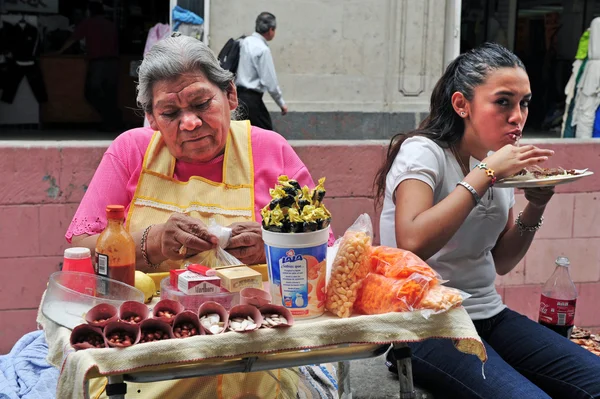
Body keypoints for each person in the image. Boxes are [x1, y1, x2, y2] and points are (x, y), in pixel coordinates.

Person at [62, 33, 336, 398]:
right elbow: (79, 250)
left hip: (256, 354)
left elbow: (327, 252)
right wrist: (150, 243)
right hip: (143, 354)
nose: (189, 123)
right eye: (170, 113)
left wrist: (273, 246)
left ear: (231, 96)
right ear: (152, 119)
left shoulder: (271, 151)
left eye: (202, 104)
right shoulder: (130, 151)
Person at [374, 42, 600, 399]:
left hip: (489, 315)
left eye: (524, 103)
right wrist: (487, 173)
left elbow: (502, 261)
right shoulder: (424, 152)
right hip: (425, 325)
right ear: (462, 104)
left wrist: (536, 205)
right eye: (503, 102)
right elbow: (412, 241)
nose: (518, 116)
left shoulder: (496, 162)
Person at [56, 2, 123, 132]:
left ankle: (110, 121)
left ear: (89, 12)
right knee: (110, 94)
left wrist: (59, 52)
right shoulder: (111, 25)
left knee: (92, 93)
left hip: (98, 63)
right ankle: (114, 122)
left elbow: (72, 39)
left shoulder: (88, 23)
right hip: (114, 63)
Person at [235, 12, 288, 130]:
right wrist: (281, 103)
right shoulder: (263, 50)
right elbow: (270, 82)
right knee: (267, 133)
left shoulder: (243, 42)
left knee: (243, 134)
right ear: (270, 30)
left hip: (238, 97)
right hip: (252, 100)